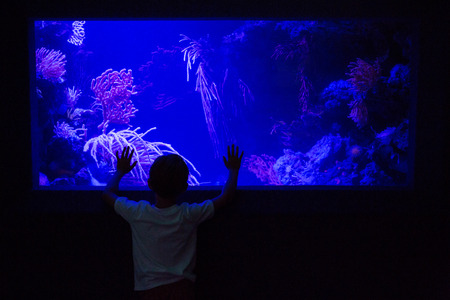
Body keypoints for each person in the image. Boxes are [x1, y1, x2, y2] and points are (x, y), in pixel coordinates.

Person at [102, 145, 244, 300]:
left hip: (148, 289)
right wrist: (233, 170)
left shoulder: (137, 212)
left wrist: (120, 171)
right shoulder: (189, 214)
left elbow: (107, 193)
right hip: (182, 288)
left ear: (149, 184)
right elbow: (226, 196)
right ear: (184, 188)